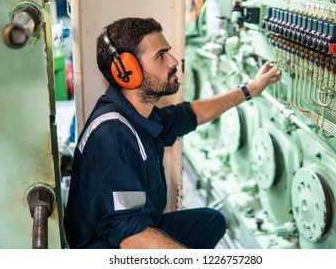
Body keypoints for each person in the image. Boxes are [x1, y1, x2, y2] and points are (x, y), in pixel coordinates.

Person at [64, 17, 280, 249]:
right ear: (127, 72)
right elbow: (128, 236)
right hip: (105, 247)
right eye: (161, 55)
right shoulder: (114, 136)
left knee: (210, 221)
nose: (174, 61)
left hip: (136, 226)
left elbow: (190, 113)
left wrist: (249, 90)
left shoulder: (138, 115)